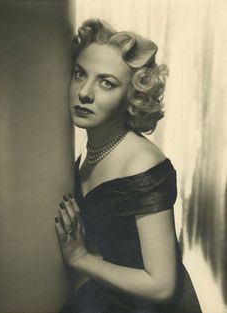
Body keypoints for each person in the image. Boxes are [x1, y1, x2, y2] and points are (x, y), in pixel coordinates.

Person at [54, 19, 202, 313]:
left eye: (106, 83)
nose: (85, 93)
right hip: (112, 294)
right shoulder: (89, 150)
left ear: (131, 97)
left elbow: (161, 285)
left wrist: (80, 259)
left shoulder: (141, 163)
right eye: (80, 74)